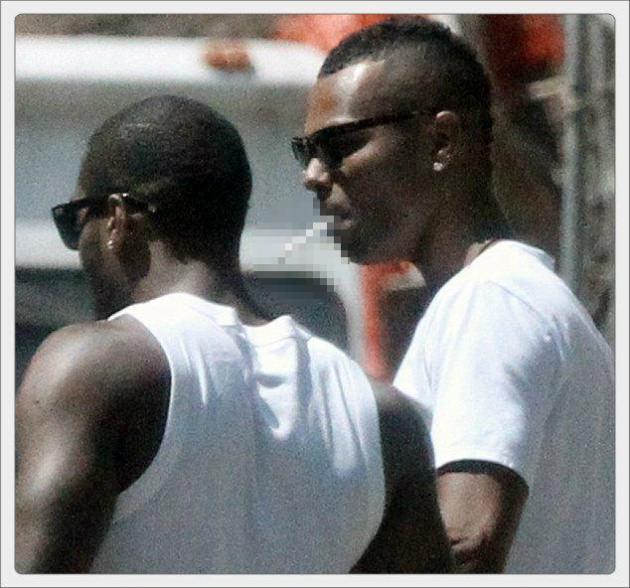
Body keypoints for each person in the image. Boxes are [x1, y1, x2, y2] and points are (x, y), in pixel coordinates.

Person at [15, 95, 452, 574]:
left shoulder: (95, 369)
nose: (80, 247)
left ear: (117, 221)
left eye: (76, 224)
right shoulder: (387, 421)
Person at [296, 18, 614, 573]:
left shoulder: (492, 298)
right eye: (306, 152)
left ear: (441, 142)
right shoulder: (495, 295)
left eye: (340, 145)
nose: (314, 175)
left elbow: (467, 541)